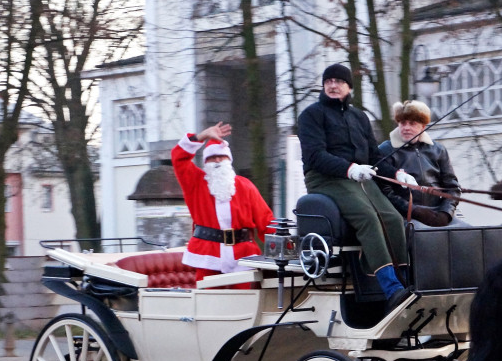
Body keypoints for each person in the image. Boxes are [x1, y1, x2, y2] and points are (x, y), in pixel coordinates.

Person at [297, 64, 412, 311]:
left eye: (339, 81)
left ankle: (405, 283)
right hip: (326, 179)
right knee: (368, 218)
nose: (333, 85)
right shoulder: (311, 115)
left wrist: (398, 174)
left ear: (349, 87)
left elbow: (373, 155)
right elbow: (316, 156)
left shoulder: (358, 117)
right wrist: (350, 168)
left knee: (392, 218)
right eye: (329, 81)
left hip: (359, 178)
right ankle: (391, 288)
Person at [171, 122, 274, 283]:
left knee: (246, 303)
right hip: (207, 255)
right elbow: (178, 158)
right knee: (209, 303)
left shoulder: (245, 186)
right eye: (212, 158)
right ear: (205, 163)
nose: (217, 160)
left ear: (229, 159)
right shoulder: (196, 183)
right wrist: (202, 136)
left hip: (243, 256)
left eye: (221, 156)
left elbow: (266, 222)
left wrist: (285, 250)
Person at [378, 100, 462, 227]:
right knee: (426, 235)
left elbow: (452, 188)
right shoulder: (385, 150)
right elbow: (384, 191)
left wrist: (445, 213)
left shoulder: (438, 150)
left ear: (423, 127)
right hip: (404, 216)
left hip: (438, 212)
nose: (406, 127)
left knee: (468, 232)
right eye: (402, 123)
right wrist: (414, 211)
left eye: (412, 123)